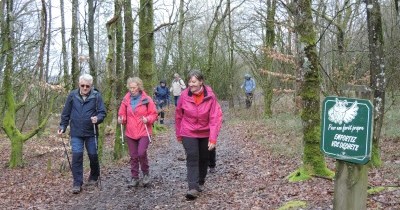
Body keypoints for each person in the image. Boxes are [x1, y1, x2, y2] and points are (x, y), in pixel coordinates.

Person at [175, 70, 223, 200]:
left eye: (194, 81)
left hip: (205, 131)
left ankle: (201, 180)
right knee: (192, 157)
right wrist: (179, 133)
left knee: (203, 158)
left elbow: (215, 118)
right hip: (188, 131)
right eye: (189, 81)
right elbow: (179, 115)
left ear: (201, 82)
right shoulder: (184, 96)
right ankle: (193, 187)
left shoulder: (211, 97)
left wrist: (213, 138)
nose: (191, 84)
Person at [58, 74, 107, 194]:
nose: (85, 88)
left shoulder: (96, 96)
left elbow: (102, 112)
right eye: (82, 85)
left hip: (91, 132)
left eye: (87, 86)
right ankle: (77, 183)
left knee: (93, 156)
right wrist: (62, 126)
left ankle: (94, 177)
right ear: (79, 84)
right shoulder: (72, 95)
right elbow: (66, 113)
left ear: (91, 85)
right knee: (77, 157)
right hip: (76, 132)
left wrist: (98, 118)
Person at [118, 77, 158, 188]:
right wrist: (121, 119)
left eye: (134, 87)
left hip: (144, 131)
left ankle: (146, 174)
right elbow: (122, 114)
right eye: (130, 87)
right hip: (130, 132)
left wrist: (148, 119)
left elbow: (154, 114)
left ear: (139, 87)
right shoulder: (125, 100)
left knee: (141, 153)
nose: (132, 90)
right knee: (133, 156)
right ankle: (134, 177)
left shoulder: (147, 99)